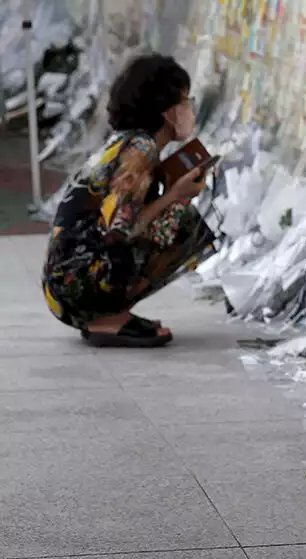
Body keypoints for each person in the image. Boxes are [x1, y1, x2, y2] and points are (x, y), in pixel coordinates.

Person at [42, 54, 214, 347]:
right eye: (185, 101)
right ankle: (108, 317)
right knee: (183, 222)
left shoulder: (125, 142)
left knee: (176, 214)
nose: (189, 108)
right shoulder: (141, 149)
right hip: (79, 287)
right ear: (166, 110)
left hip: (65, 286)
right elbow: (119, 230)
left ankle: (110, 313)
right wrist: (175, 195)